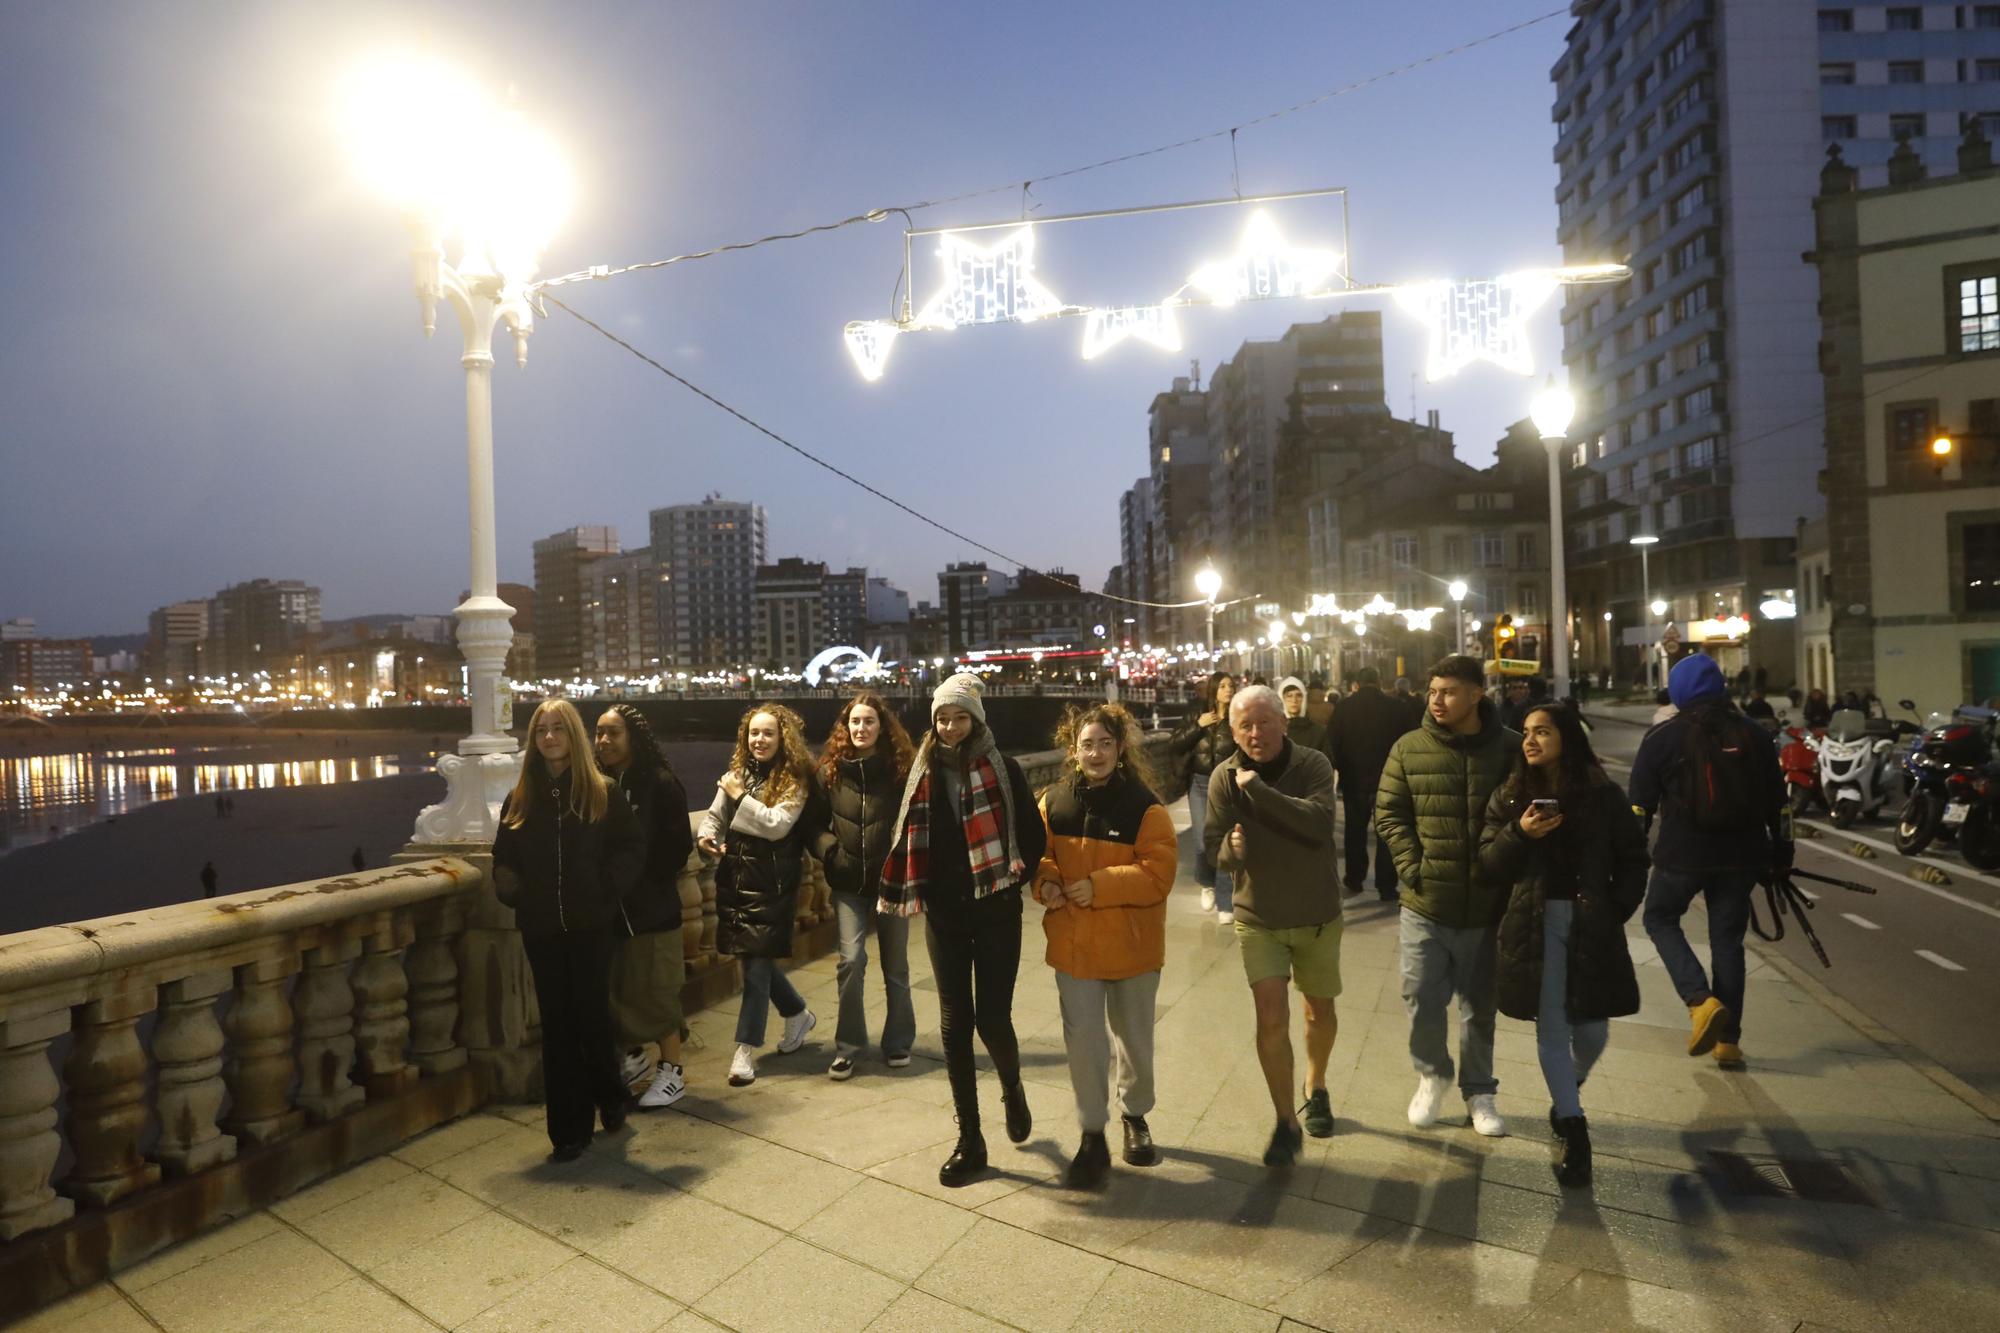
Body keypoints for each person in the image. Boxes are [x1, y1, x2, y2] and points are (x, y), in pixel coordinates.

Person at [878, 673, 1047, 1187]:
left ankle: (1012, 1087)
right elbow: (904, 832)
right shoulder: (921, 771)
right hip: (944, 911)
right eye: (942, 718)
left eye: (959, 716)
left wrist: (1007, 880)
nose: (950, 727)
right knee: (954, 1024)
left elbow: (1032, 837)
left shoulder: (1004, 768)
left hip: (995, 908)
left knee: (993, 1019)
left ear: (977, 719)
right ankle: (970, 1139)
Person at [1477, 703, 1648, 1188]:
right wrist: (1520, 833)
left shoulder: (1602, 795)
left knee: (1593, 1032)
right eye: (1527, 732)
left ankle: (1566, 1088)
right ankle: (1573, 1130)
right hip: (1535, 925)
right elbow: (1488, 863)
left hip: (1592, 924)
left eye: (1543, 732)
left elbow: (1635, 858)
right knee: (1552, 1028)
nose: (1530, 741)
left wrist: (1615, 909)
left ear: (1566, 738)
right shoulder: (1512, 796)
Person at [491, 700, 645, 1161]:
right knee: (558, 1026)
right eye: (542, 730)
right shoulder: (520, 799)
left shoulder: (602, 793)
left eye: (559, 729)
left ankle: (610, 1094)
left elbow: (631, 848)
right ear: (533, 741)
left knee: (593, 1017)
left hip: (590, 926)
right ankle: (568, 1130)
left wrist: (603, 890)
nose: (550, 737)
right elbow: (504, 859)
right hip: (542, 928)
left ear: (573, 735)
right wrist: (514, 891)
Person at [1376, 654, 1519, 1137]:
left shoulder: (1510, 750)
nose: (1437, 700)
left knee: (1480, 1005)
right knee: (1420, 996)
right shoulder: (1408, 748)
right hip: (1426, 903)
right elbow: (1389, 813)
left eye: (1449, 691)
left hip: (1486, 904)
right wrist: (1413, 868)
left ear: (1478, 694)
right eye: (1433, 690)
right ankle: (1432, 1075)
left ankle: (1480, 1092)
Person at [1035, 703, 1177, 1188]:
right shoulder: (1053, 803)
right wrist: (1048, 884)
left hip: (1132, 947)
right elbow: (1040, 857)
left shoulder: (1146, 808)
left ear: (1120, 750)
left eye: (1105, 743)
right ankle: (1092, 1129)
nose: (1095, 753)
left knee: (1134, 1039)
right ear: (1073, 751)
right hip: (1075, 945)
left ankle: (1135, 1115)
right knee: (1084, 1042)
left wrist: (1100, 884)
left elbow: (1158, 875)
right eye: (1086, 744)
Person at [1203, 684, 1343, 1166]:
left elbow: (1319, 823)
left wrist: (1259, 790)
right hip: (1258, 915)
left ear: (1284, 721)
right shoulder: (1224, 776)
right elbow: (1212, 846)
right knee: (1270, 1016)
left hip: (1315, 912)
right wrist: (1231, 852)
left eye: (1264, 721)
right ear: (1232, 730)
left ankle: (1316, 1084)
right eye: (1245, 725)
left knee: (1317, 1011)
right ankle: (1286, 1121)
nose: (1255, 733)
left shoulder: (1312, 765)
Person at [1630, 653, 1792, 1069]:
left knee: (1660, 919)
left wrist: (1632, 852)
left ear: (1678, 690)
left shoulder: (1663, 737)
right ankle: (1729, 1043)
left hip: (1682, 854)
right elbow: (1780, 804)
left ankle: (1700, 1003)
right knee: (1728, 942)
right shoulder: (1756, 736)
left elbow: (1639, 807)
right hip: (1742, 857)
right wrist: (1781, 853)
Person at [699, 703, 820, 1089]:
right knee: (756, 958)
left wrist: (740, 795)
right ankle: (798, 1014)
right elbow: (716, 816)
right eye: (753, 733)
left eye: (768, 733)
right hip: (735, 881)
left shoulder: (795, 779)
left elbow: (776, 826)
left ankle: (743, 1051)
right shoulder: (738, 775)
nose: (759, 740)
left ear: (783, 737)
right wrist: (706, 835)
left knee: (754, 968)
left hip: (773, 886)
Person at [813, 692, 919, 1080]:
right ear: (846, 727)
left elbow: (916, 822)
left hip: (892, 882)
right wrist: (830, 853)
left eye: (869, 721)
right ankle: (849, 1048)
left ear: (882, 726)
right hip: (847, 883)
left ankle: (898, 1043)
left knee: (896, 966)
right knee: (850, 961)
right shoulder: (829, 772)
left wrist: (904, 860)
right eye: (854, 722)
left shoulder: (899, 771)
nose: (861, 728)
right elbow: (813, 824)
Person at [595, 704, 695, 1110]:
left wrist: (638, 878)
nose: (603, 741)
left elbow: (676, 847)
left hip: (652, 910)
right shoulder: (597, 784)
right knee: (618, 991)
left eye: (613, 733)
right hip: (610, 911)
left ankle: (672, 1073)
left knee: (658, 993)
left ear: (633, 738)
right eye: (599, 732)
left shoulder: (660, 783)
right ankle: (634, 1059)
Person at [1327, 667, 1414, 901]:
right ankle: (1386, 885)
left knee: (1355, 832)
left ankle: (1354, 878)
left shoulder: (1343, 708)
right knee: (1387, 834)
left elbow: (1333, 744)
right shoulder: (1397, 708)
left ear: (1356, 683)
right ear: (1379, 682)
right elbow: (1409, 743)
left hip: (1354, 781)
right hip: (1389, 780)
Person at [1169, 673, 1238, 921]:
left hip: (1225, 786)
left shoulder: (1238, 716)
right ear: (1213, 690)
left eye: (1231, 686)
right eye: (1222, 686)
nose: (1228, 690)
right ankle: (1207, 883)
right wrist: (1198, 725)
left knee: (1221, 842)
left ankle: (1224, 902)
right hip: (1198, 784)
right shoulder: (1195, 713)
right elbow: (1174, 743)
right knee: (1200, 842)